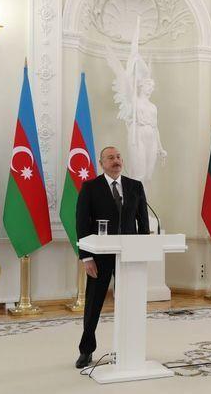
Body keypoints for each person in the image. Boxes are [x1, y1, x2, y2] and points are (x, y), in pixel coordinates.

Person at [75, 146, 150, 369]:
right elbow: (82, 223)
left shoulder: (135, 186)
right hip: (100, 257)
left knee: (130, 303)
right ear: (102, 163)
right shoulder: (90, 187)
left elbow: (143, 222)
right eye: (110, 158)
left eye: (118, 157)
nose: (116, 161)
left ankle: (130, 348)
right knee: (93, 304)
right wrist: (86, 257)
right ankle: (86, 350)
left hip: (129, 255)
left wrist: (142, 250)